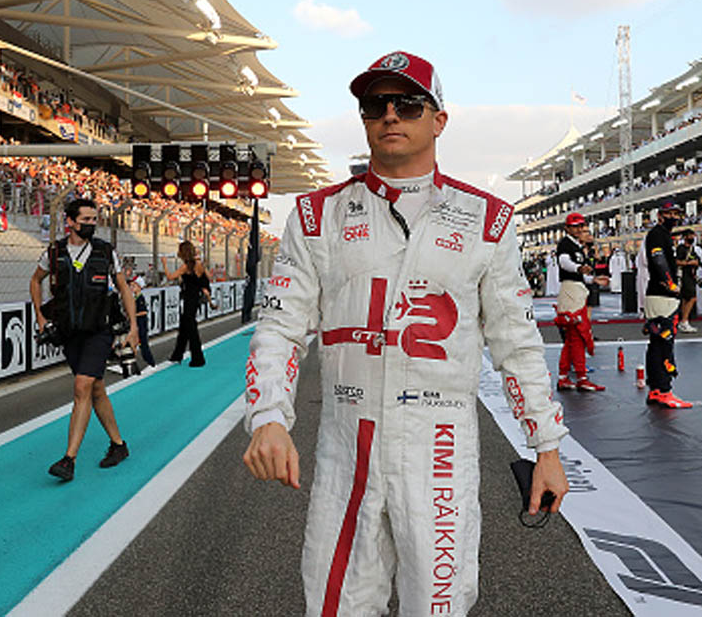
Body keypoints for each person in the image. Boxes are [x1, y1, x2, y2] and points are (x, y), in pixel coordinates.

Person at [241, 51, 569, 616]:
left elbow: (516, 342)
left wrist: (546, 446)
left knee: (439, 607)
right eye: (376, 104)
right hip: (347, 452)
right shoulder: (317, 216)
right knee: (333, 606)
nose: (391, 115)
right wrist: (268, 416)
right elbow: (280, 326)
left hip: (440, 455)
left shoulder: (488, 219)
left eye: (408, 103)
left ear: (438, 119)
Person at [30, 198, 137, 482]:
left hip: (98, 330)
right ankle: (118, 445)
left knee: (82, 386)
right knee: (96, 388)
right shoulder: (54, 253)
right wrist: (40, 317)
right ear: (71, 221)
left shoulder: (105, 251)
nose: (91, 224)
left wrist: (134, 326)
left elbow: (124, 288)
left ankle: (69, 460)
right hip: (69, 331)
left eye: (94, 219)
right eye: (86, 219)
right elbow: (35, 280)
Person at [642, 200, 692, 409]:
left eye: (677, 213)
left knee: (657, 343)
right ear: (660, 215)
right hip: (662, 296)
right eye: (670, 213)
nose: (674, 217)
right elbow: (658, 259)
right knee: (664, 342)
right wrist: (670, 283)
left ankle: (656, 389)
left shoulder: (663, 235)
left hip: (660, 295)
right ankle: (664, 390)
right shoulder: (657, 234)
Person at [554, 212, 610, 392]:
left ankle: (566, 376)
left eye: (581, 226)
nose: (579, 229)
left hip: (575, 289)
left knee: (572, 338)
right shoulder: (566, 243)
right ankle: (581, 377)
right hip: (571, 292)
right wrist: (579, 268)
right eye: (576, 226)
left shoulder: (576, 245)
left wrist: (594, 279)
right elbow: (564, 262)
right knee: (578, 335)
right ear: (567, 228)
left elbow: (577, 274)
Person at [162, 240, 213, 367]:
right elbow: (208, 277)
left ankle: (198, 359)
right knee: (185, 327)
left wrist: (164, 265)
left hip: (190, 298)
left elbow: (170, 277)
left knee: (191, 329)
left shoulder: (186, 266)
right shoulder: (198, 264)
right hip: (195, 298)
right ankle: (177, 354)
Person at [675, 229, 700, 332]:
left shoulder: (692, 249)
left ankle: (684, 321)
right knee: (692, 298)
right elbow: (677, 261)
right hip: (684, 276)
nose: (692, 237)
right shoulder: (681, 248)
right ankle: (684, 320)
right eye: (690, 235)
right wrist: (689, 263)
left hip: (691, 275)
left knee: (686, 299)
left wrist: (696, 263)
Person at [131, 275, 156, 367]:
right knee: (132, 344)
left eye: (134, 286)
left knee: (143, 345)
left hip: (141, 324)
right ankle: (131, 363)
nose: (132, 288)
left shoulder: (140, 298)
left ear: (139, 287)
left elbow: (143, 312)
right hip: (137, 324)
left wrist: (133, 315)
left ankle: (151, 363)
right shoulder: (135, 298)